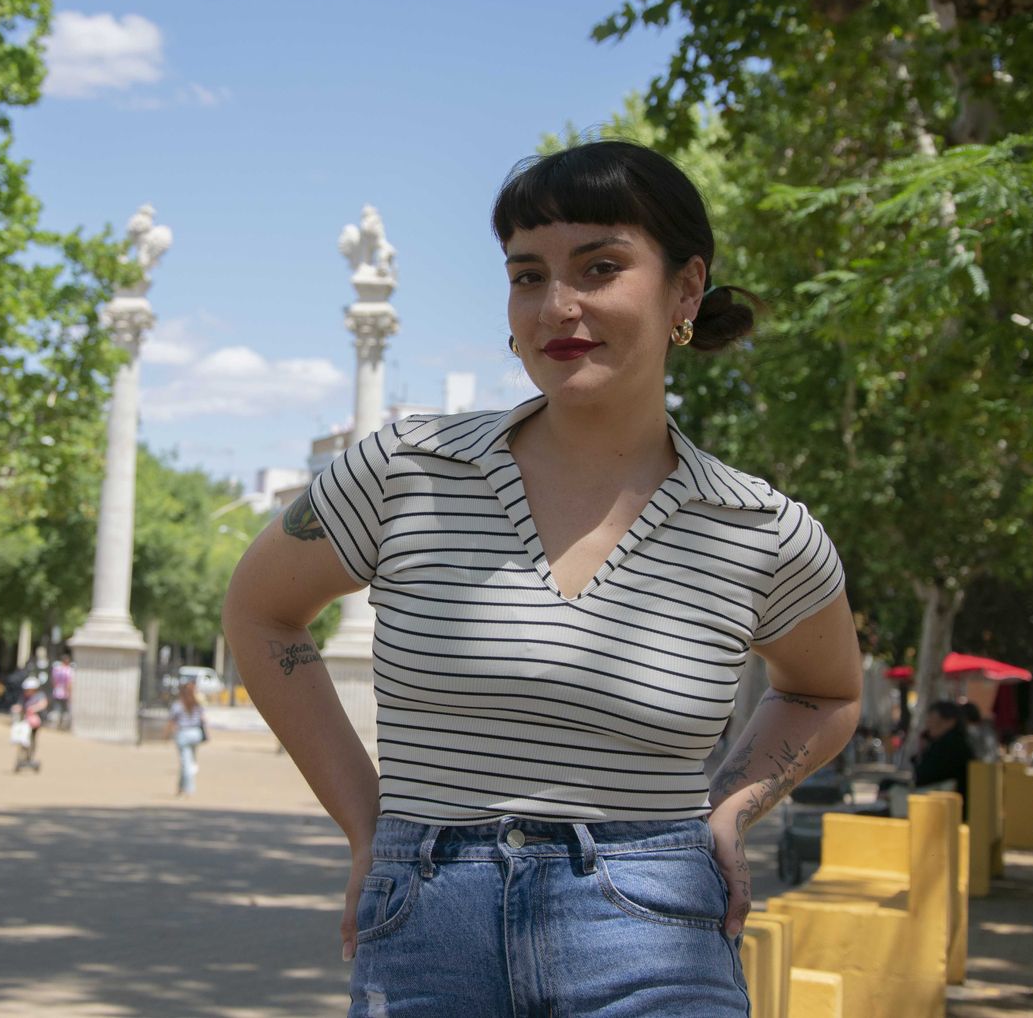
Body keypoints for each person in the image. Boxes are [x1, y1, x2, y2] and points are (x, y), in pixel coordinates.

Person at [222, 140, 863, 1016]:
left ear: (685, 288)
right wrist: (368, 826)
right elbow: (261, 612)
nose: (559, 305)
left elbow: (827, 694)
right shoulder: (406, 471)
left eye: (600, 267)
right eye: (529, 275)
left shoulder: (761, 531)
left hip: (657, 928)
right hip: (426, 920)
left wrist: (729, 809)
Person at [913, 700, 974, 802]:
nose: (928, 724)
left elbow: (923, 776)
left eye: (932, 719)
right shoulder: (957, 742)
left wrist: (923, 752)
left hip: (947, 801)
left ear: (949, 722)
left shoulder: (948, 745)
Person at [168, 678, 208, 796]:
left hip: (183, 734)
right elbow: (203, 719)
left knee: (186, 763)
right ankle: (180, 787)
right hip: (195, 734)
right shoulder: (197, 704)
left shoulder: (178, 705)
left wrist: (166, 734)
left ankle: (189, 788)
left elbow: (172, 721)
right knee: (188, 761)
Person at [12, 675, 48, 773]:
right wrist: (17, 708)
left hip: (35, 724)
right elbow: (20, 705)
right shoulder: (24, 696)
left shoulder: (39, 695)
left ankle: (29, 757)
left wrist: (34, 708)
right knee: (23, 740)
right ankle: (22, 758)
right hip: (25, 722)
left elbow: (43, 704)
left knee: (32, 741)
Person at [49, 651, 74, 731]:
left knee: (57, 708)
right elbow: (69, 683)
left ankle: (55, 724)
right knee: (65, 710)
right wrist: (70, 693)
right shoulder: (69, 670)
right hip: (65, 693)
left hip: (57, 692)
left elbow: (53, 681)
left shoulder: (57, 669)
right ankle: (63, 725)